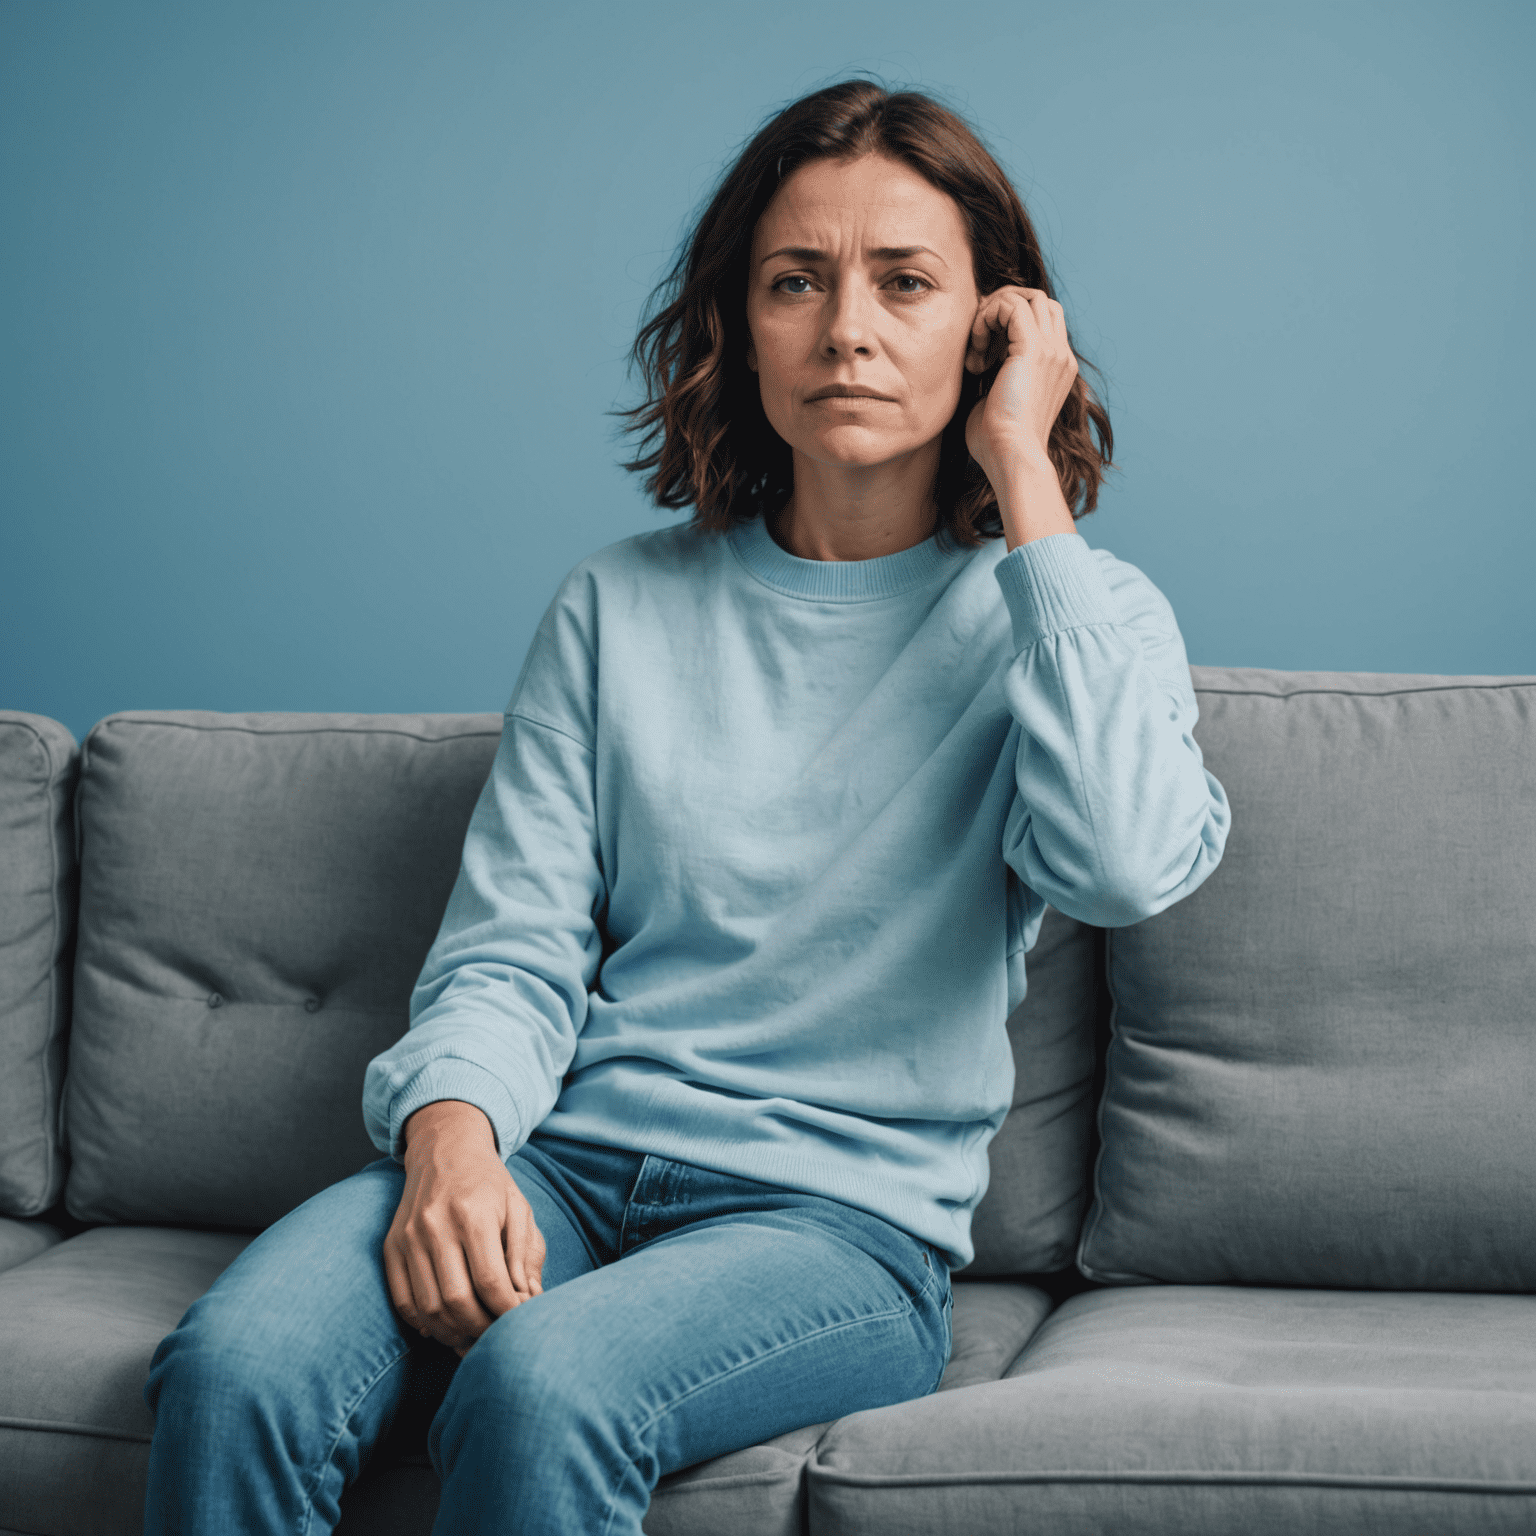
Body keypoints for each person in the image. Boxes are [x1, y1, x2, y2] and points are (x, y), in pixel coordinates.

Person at [140, 78, 1230, 1534]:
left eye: (906, 283)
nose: (848, 328)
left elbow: (1121, 862)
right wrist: (452, 1140)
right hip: (570, 1162)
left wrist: (1026, 471)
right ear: (743, 323)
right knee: (238, 1367)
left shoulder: (1075, 613)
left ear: (991, 329)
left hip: (837, 1232)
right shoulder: (618, 606)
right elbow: (511, 943)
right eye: (798, 282)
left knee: (544, 1386)